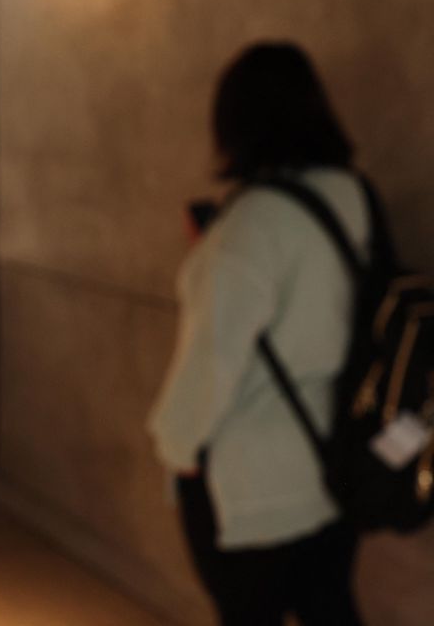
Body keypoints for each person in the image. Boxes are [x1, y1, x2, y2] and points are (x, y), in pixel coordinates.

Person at [148, 42, 366, 625]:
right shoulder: (352, 197)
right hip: (336, 462)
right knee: (330, 607)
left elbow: (210, 360)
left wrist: (174, 447)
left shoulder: (250, 225)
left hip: (252, 485)